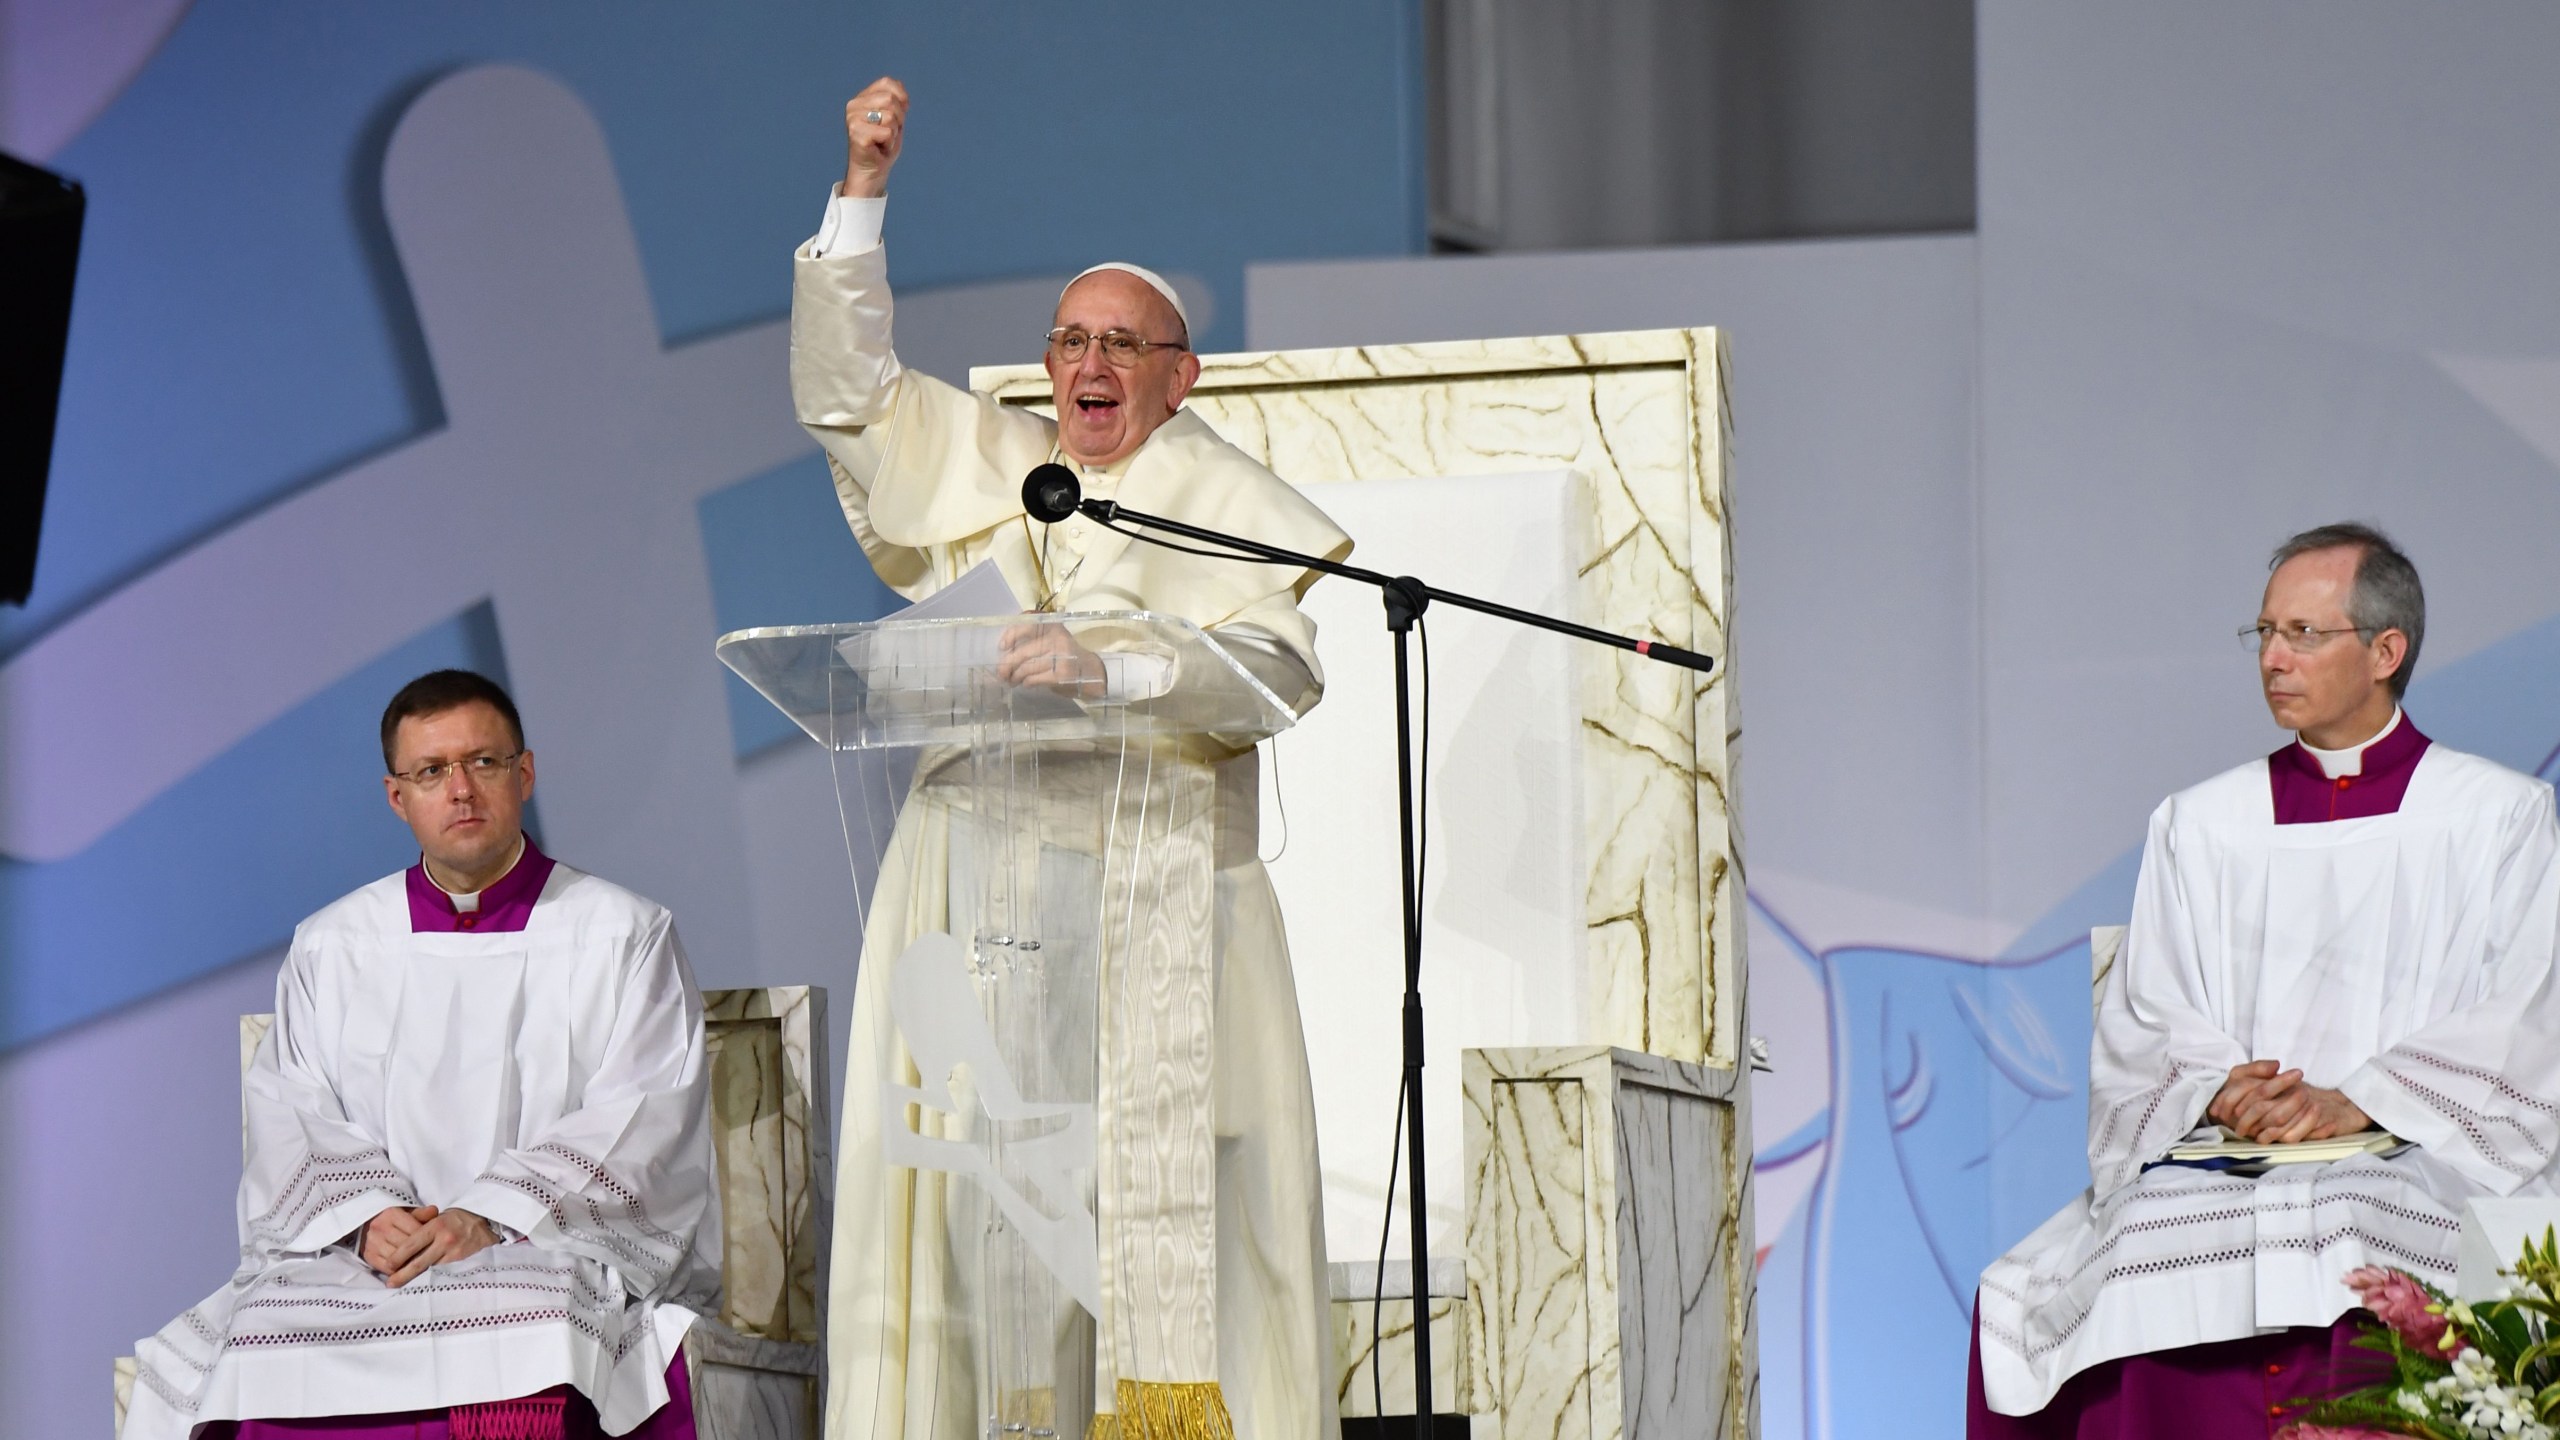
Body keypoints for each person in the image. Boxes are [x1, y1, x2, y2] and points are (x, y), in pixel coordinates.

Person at [793, 77, 1350, 1440]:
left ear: (1178, 377)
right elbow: (850, 394)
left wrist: (1117, 666)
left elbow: (1276, 671)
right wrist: (862, 188)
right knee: (986, 1231)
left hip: (1157, 921)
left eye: (1123, 343)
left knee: (1174, 1234)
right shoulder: (997, 462)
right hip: (985, 907)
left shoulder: (1228, 508)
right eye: (1070, 340)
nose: (1089, 363)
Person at [1971, 524, 2560, 1436]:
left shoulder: (2498, 817)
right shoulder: (2200, 823)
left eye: (2303, 634)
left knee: (2363, 1221)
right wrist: (2218, 1087)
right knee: (2078, 1271)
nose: (2273, 659)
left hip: (2421, 1148)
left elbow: (2527, 1011)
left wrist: (2361, 1100)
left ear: (2385, 651)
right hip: (2221, 1156)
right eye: (2264, 634)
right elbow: (2150, 1006)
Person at [125, 670, 719, 1440]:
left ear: (525, 774)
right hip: (370, 1256)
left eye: (484, 762)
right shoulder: (335, 944)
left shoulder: (621, 932)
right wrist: (365, 1215)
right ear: (397, 797)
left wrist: (491, 1215)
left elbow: (643, 1117)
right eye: (432, 771)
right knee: (256, 1347)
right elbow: (291, 1109)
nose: (461, 790)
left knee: (546, 1335)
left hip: (537, 1246)